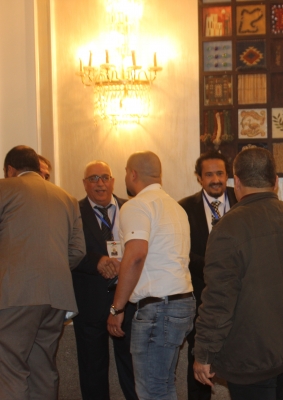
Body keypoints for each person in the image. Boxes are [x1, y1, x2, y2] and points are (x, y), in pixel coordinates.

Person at [193, 147, 283, 400]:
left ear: (237, 182)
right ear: (276, 181)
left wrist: (204, 353)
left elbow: (218, 299)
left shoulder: (227, 228)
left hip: (250, 354)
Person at [107, 151, 195, 399]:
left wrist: (116, 308)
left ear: (133, 174)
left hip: (158, 308)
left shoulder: (137, 205)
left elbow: (136, 256)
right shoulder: (176, 208)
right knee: (163, 386)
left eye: (126, 172)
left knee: (151, 390)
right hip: (182, 303)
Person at [0, 145, 85, 400]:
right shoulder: (67, 198)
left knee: (9, 368)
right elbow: (78, 251)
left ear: (10, 170)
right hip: (57, 297)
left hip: (14, 294)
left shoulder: (5, 188)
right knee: (42, 369)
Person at [72, 161, 137, 400]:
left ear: (112, 181)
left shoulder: (131, 208)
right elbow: (66, 249)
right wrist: (96, 261)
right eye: (93, 178)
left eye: (104, 177)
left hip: (128, 302)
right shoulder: (73, 211)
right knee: (93, 371)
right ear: (84, 184)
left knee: (132, 368)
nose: (100, 183)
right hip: (90, 303)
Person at [179, 151, 237, 400]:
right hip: (201, 302)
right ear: (199, 177)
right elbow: (182, 252)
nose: (216, 180)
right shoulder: (184, 208)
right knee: (200, 364)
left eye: (220, 174)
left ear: (228, 175)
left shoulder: (243, 200)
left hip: (241, 300)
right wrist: (213, 267)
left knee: (241, 363)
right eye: (209, 174)